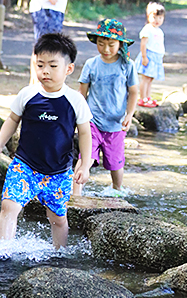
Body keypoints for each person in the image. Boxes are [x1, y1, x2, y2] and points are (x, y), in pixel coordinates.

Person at [0, 32, 92, 250]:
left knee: (58, 218)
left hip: (59, 171)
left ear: (68, 69)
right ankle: (2, 252)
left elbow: (84, 133)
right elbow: (12, 120)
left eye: (53, 66)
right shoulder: (28, 94)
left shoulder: (75, 100)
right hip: (25, 165)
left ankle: (59, 254)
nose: (45, 71)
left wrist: (84, 163)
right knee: (9, 206)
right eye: (40, 64)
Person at [72, 19, 139, 197]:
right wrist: (78, 117)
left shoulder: (127, 65)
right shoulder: (91, 64)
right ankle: (75, 194)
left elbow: (133, 92)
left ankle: (117, 190)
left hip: (116, 124)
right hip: (92, 121)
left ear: (120, 44)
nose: (106, 49)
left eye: (111, 44)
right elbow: (82, 93)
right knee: (85, 157)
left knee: (115, 163)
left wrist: (129, 114)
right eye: (101, 44)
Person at [29, 0, 68, 84]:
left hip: (53, 9)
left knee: (45, 45)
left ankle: (36, 82)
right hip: (47, 9)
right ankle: (36, 82)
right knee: (45, 46)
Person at [135, 2, 166, 108]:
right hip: (149, 56)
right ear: (149, 16)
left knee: (151, 78)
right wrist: (144, 57)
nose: (157, 20)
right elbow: (143, 44)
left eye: (160, 18)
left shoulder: (159, 31)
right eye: (154, 17)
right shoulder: (148, 29)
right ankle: (142, 98)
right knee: (146, 78)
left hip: (156, 57)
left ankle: (147, 97)